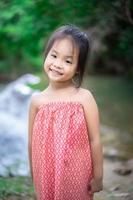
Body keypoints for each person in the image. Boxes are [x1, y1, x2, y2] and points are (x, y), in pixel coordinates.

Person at [28, 24, 103, 200]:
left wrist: (98, 176)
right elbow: (32, 143)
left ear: (78, 68)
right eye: (54, 55)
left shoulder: (84, 98)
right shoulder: (37, 101)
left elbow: (95, 140)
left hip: (77, 172)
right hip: (46, 172)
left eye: (68, 60)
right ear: (46, 55)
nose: (57, 64)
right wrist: (34, 174)